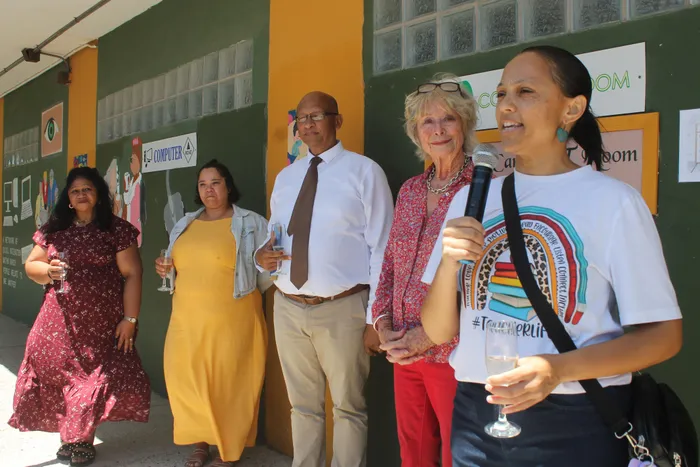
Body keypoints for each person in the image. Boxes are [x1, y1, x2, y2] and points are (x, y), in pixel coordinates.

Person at [420, 46, 683, 467]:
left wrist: (557, 369)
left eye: (525, 91)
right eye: (501, 93)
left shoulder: (613, 202)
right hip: (475, 415)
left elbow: (664, 336)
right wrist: (450, 263)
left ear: (571, 109)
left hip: (573, 420)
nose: (506, 105)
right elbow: (437, 332)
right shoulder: (470, 200)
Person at [255, 91, 394, 467]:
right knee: (302, 406)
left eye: (317, 116)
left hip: (343, 308)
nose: (308, 125)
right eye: (301, 119)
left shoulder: (364, 172)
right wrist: (260, 258)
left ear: (337, 121)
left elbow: (383, 248)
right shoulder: (286, 178)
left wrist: (374, 318)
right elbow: (274, 237)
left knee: (349, 407)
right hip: (288, 307)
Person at [9, 167, 151, 466]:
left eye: (87, 188)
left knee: (91, 381)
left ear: (98, 194)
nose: (81, 194)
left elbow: (133, 273)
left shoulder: (116, 229)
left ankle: (81, 439)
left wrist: (130, 319)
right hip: (57, 323)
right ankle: (72, 437)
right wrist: (48, 271)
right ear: (69, 199)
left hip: (102, 324)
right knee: (61, 377)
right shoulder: (54, 229)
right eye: (75, 191)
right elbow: (31, 266)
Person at [372, 74, 478, 467]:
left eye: (448, 119)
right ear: (416, 132)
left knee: (456, 453)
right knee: (413, 452)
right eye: (427, 122)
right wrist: (383, 323)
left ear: (464, 124)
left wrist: (426, 337)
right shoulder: (411, 190)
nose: (438, 130)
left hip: (454, 353)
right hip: (403, 349)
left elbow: (482, 280)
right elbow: (390, 264)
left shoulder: (483, 187)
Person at [155, 159, 272, 467]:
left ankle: (226, 449)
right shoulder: (185, 224)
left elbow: (268, 271)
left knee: (229, 383)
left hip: (234, 319)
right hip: (186, 320)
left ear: (228, 186)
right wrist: (164, 268)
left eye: (216, 183)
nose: (209, 190)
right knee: (187, 382)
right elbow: (175, 265)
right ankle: (200, 442)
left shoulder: (251, 222)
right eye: (203, 184)